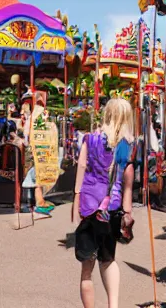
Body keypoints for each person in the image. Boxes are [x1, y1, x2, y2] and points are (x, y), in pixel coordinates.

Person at [73, 99, 135, 308]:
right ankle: (113, 305)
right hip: (113, 209)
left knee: (86, 266)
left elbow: (82, 166)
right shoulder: (127, 145)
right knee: (109, 258)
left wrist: (76, 198)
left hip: (89, 205)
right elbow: (128, 181)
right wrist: (127, 212)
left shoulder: (89, 139)